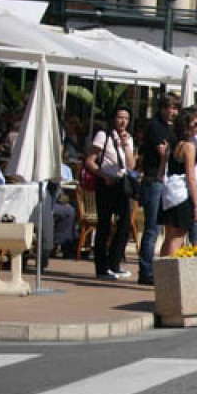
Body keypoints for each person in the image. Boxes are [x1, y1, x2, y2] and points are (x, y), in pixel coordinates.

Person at [84, 105, 136, 280]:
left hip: (122, 184)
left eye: (126, 118)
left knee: (124, 225)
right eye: (120, 117)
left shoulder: (128, 139)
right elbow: (90, 161)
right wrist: (103, 175)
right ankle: (101, 267)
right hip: (106, 183)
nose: (123, 121)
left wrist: (126, 144)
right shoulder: (103, 136)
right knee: (104, 225)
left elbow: (131, 166)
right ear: (113, 118)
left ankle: (114, 263)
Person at [137, 93, 180, 286]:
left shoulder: (174, 129)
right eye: (169, 108)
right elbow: (163, 153)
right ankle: (146, 271)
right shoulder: (155, 127)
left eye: (175, 109)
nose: (172, 112)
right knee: (152, 228)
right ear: (162, 108)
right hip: (154, 180)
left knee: (168, 228)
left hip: (168, 181)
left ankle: (161, 268)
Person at [159, 107, 197, 259]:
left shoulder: (173, 143)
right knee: (178, 236)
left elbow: (162, 170)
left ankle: (162, 273)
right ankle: (170, 274)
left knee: (169, 236)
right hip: (182, 194)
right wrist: (196, 203)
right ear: (187, 125)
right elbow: (191, 176)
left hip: (169, 192)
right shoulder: (188, 146)